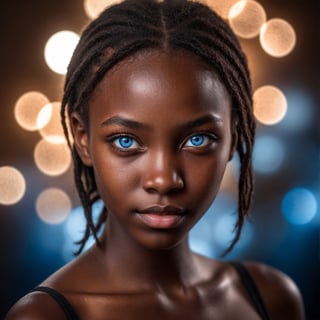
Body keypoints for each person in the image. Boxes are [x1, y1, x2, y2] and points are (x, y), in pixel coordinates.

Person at [6, 0, 305, 319]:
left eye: (197, 139)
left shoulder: (270, 298)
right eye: (126, 141)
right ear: (83, 139)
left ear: (233, 138)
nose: (163, 179)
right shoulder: (45, 316)